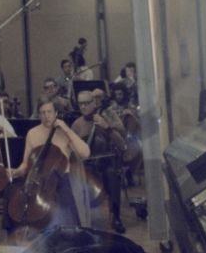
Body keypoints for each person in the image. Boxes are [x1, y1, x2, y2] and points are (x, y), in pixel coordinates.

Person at [11, 99, 91, 229]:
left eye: (49, 112)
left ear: (56, 113)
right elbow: (26, 163)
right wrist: (17, 171)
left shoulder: (64, 133)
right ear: (38, 115)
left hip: (62, 179)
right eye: (42, 112)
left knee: (68, 214)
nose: (46, 116)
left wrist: (66, 130)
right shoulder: (32, 133)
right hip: (39, 180)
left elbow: (85, 153)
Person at [72, 90, 127, 233]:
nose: (83, 107)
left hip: (106, 164)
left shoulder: (105, 118)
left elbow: (122, 145)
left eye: (86, 103)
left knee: (112, 175)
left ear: (94, 103)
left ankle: (116, 217)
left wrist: (107, 128)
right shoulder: (77, 125)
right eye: (80, 104)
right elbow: (72, 150)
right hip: (85, 167)